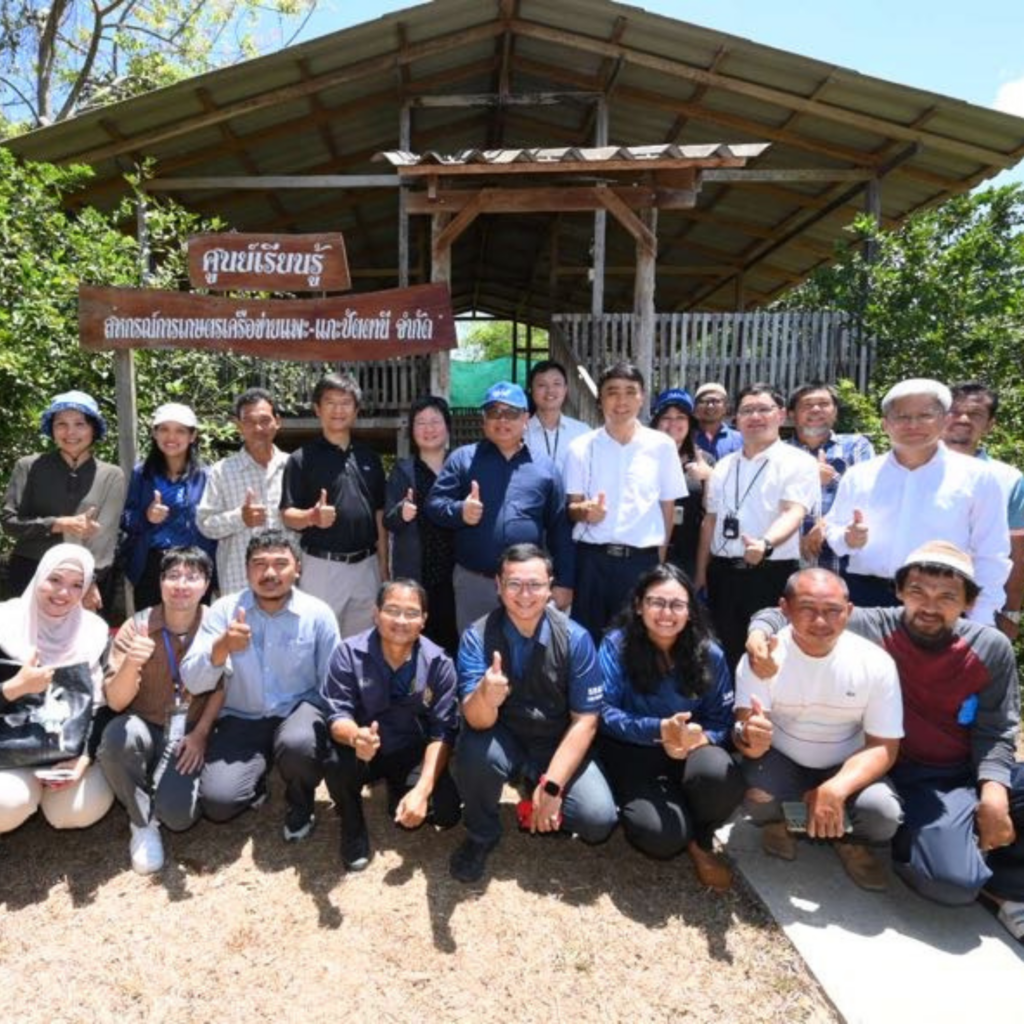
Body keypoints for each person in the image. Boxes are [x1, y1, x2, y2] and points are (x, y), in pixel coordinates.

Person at [746, 542, 1024, 941]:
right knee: (951, 884)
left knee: (1003, 802)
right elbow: (785, 612)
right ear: (899, 591)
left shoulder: (990, 647)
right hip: (908, 774)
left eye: (947, 597)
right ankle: (996, 883)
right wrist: (758, 634)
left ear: (969, 601)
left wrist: (993, 792)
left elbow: (997, 729)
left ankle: (986, 852)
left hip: (966, 768)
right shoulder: (875, 626)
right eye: (918, 592)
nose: (930, 607)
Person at [450, 543, 617, 883]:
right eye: (514, 584)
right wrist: (485, 696)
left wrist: (552, 787)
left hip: (556, 741)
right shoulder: (476, 637)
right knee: (473, 750)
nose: (525, 595)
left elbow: (586, 721)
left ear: (550, 587)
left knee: (597, 819)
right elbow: (476, 720)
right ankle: (481, 833)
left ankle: (539, 790)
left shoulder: (576, 639)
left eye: (535, 585)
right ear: (498, 585)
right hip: (504, 738)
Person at [733, 568, 903, 891]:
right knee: (756, 796)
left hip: (845, 762)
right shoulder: (764, 657)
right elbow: (744, 733)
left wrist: (837, 788)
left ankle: (846, 839)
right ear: (785, 609)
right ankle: (783, 821)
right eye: (807, 609)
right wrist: (750, 737)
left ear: (849, 611)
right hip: (783, 759)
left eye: (833, 610)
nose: (821, 621)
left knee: (882, 815)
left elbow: (884, 746)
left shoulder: (875, 662)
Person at [180, 529, 339, 841]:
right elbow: (193, 681)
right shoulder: (225, 610)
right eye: (259, 564)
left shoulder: (318, 614)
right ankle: (257, 780)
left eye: (280, 563)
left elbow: (332, 683)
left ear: (298, 568)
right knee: (218, 803)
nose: (269, 573)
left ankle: (301, 800)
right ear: (246, 569)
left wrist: (334, 737)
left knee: (299, 744)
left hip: (296, 712)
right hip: (241, 717)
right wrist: (222, 646)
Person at [598, 564, 742, 890]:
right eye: (656, 602)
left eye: (677, 604)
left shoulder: (711, 654)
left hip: (689, 753)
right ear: (639, 606)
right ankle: (675, 824)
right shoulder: (616, 646)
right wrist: (659, 729)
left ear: (690, 611)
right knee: (662, 839)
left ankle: (701, 841)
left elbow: (723, 720)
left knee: (722, 775)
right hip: (632, 753)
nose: (666, 613)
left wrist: (700, 737)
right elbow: (602, 712)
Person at [824, 378, 1009, 624]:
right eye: (902, 416)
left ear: (944, 420)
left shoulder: (978, 477)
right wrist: (848, 538)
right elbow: (834, 529)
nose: (913, 425)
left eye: (925, 416)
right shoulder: (860, 475)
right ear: (885, 424)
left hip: (941, 600)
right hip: (867, 597)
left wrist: (982, 616)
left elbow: (991, 552)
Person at [98, 546, 223, 875]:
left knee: (179, 817)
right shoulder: (137, 626)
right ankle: (141, 823)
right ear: (160, 582)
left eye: (192, 577)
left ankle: (163, 786)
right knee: (116, 740)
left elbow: (223, 687)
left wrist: (201, 734)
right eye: (173, 576)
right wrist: (131, 663)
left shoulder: (216, 624)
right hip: (144, 725)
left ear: (206, 584)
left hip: (190, 731)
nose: (181, 584)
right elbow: (116, 702)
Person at [321, 579, 460, 871]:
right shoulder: (348, 653)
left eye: (411, 613)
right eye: (392, 610)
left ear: (424, 620)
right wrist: (355, 736)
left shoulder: (439, 662)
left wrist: (422, 790)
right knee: (333, 759)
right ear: (376, 614)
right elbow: (337, 715)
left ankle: (401, 790)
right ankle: (352, 821)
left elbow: (442, 731)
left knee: (445, 813)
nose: (401, 620)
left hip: (409, 749)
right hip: (361, 749)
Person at [426, 382, 574, 633]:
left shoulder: (545, 468)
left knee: (526, 651)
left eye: (511, 413)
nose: (502, 420)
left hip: (527, 586)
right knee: (475, 650)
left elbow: (560, 528)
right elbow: (434, 505)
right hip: (475, 582)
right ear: (484, 420)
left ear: (525, 419)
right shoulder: (463, 459)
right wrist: (460, 511)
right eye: (494, 412)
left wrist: (565, 582)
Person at [694, 382, 819, 668]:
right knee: (722, 654)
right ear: (736, 418)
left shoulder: (798, 462)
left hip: (770, 572)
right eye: (747, 410)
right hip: (723, 574)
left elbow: (794, 512)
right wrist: (701, 572)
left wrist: (765, 543)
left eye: (764, 409)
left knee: (769, 654)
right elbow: (710, 520)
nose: (755, 416)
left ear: (781, 415)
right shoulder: (724, 465)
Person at [564, 362, 687, 642]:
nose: (621, 401)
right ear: (600, 399)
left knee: (639, 642)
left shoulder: (661, 446)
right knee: (587, 639)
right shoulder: (580, 447)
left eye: (630, 392)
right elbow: (572, 507)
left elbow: (667, 507)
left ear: (642, 397)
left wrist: (659, 561)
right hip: (592, 561)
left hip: (642, 561)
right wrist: (584, 511)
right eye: (612, 392)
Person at [0, 544, 114, 835]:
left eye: (77, 585)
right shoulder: (5, 622)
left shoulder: (94, 632)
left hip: (69, 749)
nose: (63, 593)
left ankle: (49, 792)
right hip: (9, 750)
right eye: (55, 579)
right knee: (6, 803)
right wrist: (14, 688)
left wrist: (84, 757)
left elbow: (105, 706)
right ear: (39, 575)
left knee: (75, 811)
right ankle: (26, 792)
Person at [280, 372, 387, 638]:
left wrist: (383, 567)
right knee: (317, 643)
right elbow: (287, 515)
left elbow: (379, 515)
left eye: (346, 403)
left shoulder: (370, 457)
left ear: (356, 410)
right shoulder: (301, 458)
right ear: (317, 408)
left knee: (362, 645)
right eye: (330, 402)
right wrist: (312, 517)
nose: (338, 410)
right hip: (322, 567)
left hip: (367, 567)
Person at [2, 390, 124, 613]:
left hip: (84, 578)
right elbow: (9, 522)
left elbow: (105, 538)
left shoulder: (111, 475)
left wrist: (89, 580)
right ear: (52, 429)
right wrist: (58, 524)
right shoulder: (28, 466)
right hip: (31, 570)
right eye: (61, 424)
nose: (70, 432)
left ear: (94, 429)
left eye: (79, 424)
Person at [943, 381, 1024, 640]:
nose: (963, 419)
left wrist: (1011, 612)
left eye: (975, 414)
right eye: (954, 411)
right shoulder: (911, 469)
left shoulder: (1008, 478)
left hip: (979, 607)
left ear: (990, 425)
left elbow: (1017, 551)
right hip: (910, 599)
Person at [120, 402, 217, 610]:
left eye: (180, 431)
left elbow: (213, 524)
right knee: (149, 625)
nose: (171, 437)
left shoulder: (207, 476)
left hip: (194, 565)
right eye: (164, 429)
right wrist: (147, 516)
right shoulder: (142, 473)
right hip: (151, 565)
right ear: (154, 433)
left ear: (192, 436)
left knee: (193, 627)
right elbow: (126, 518)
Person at [197, 387, 291, 598]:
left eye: (265, 420)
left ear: (277, 421)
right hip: (239, 582)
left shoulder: (293, 466)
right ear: (238, 425)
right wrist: (240, 518)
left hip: (286, 583)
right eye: (249, 422)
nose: (258, 428)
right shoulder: (222, 471)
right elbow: (204, 524)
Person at [382, 395, 458, 654]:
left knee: (454, 639)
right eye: (421, 423)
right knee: (416, 644)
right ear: (412, 431)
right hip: (417, 571)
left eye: (435, 422)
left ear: (447, 426)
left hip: (456, 572)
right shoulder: (403, 471)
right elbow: (388, 520)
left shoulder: (461, 466)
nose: (429, 429)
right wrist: (401, 513)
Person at [784, 382, 875, 572]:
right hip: (787, 559)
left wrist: (825, 524)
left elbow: (867, 494)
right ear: (791, 414)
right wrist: (810, 479)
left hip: (842, 561)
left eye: (824, 404)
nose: (816, 409)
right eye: (807, 405)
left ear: (835, 412)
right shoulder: (779, 452)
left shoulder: (856, 446)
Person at [650, 387, 714, 578]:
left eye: (680, 417)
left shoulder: (705, 460)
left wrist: (710, 478)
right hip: (647, 550)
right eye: (666, 417)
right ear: (656, 421)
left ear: (690, 423)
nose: (673, 423)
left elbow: (713, 511)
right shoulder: (641, 457)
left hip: (690, 555)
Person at [524, 359, 590, 477]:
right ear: (531, 390)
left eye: (557, 384)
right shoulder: (521, 433)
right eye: (542, 385)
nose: (550, 390)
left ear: (565, 389)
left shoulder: (583, 432)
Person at [693, 383, 742, 459]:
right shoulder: (686, 438)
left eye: (716, 401)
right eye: (704, 401)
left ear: (725, 407)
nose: (710, 406)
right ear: (695, 408)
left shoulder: (739, 440)